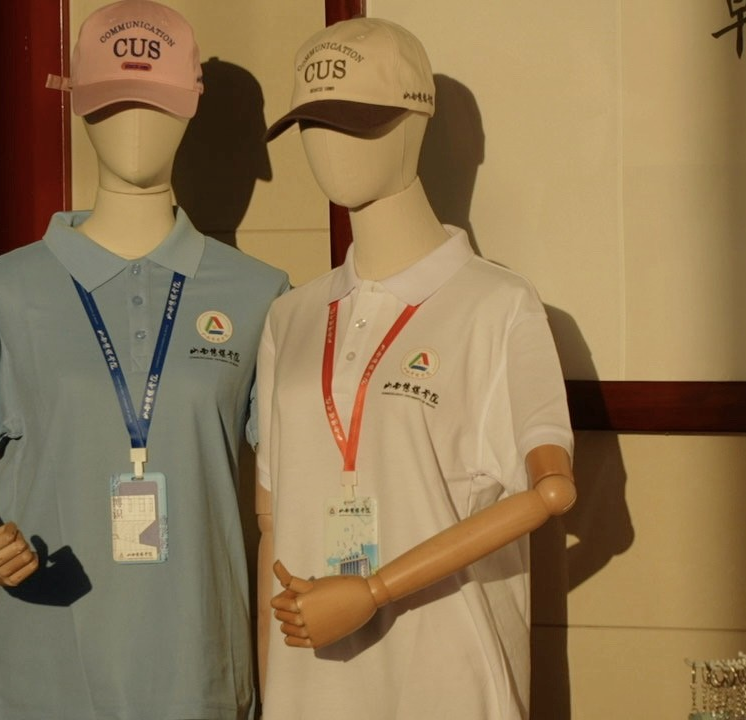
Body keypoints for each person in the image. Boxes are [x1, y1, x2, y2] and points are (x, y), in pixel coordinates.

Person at [0, 2, 288, 718]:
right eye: (115, 103)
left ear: (190, 111)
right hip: (48, 684)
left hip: (200, 685)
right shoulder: (5, 289)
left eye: (158, 104)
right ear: (79, 107)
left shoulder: (259, 293)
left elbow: (286, 505)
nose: (136, 127)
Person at [256, 17, 575, 720]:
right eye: (312, 123)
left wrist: (376, 590)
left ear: (414, 121)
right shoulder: (292, 317)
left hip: (449, 683)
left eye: (353, 121)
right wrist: (272, 694)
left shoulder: (498, 305)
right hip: (310, 693)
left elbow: (552, 491)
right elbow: (273, 522)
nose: (328, 145)